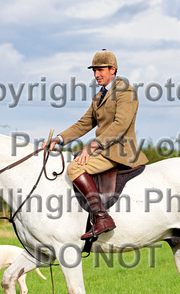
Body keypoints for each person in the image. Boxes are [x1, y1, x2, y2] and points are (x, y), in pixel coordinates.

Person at [44, 49, 148, 240]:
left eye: (100, 70)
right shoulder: (98, 97)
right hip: (105, 149)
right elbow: (83, 124)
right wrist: (58, 139)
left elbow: (120, 125)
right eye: (94, 70)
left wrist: (92, 146)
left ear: (113, 70)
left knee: (74, 168)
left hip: (120, 151)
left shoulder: (126, 92)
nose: (96, 74)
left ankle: (102, 218)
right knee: (74, 158)